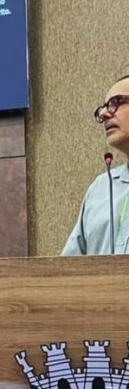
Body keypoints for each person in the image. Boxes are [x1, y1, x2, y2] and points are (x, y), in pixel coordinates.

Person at [63, 76, 129, 255]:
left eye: (116, 102)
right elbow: (69, 265)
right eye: (104, 107)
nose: (104, 114)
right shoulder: (101, 188)